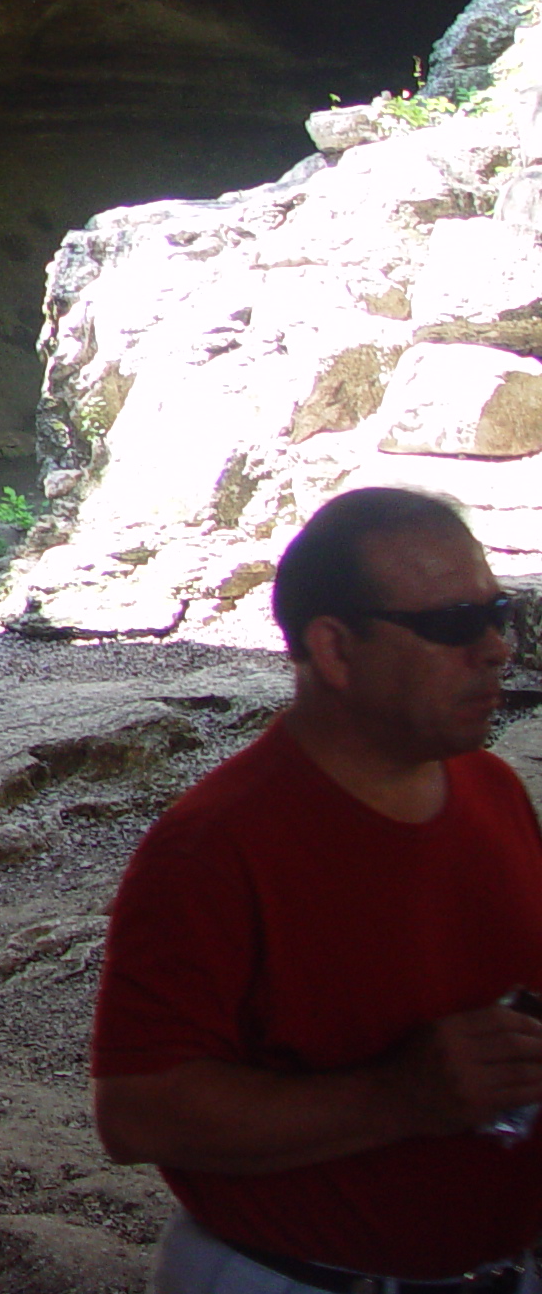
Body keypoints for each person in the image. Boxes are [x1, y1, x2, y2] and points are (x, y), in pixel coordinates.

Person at [92, 486, 542, 1291]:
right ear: (334, 650)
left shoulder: (493, 790)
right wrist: (398, 1098)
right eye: (451, 625)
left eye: (496, 613)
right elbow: (137, 1111)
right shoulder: (213, 847)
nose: (495, 648)